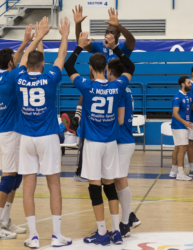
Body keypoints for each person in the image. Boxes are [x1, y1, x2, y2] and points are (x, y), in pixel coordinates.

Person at [64, 32, 135, 246]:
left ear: (90, 68)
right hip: (112, 144)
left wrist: (77, 47)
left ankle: (102, 233)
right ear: (106, 68)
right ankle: (116, 232)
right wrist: (115, 48)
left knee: (95, 187)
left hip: (93, 144)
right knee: (110, 186)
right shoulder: (117, 86)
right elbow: (130, 67)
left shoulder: (86, 85)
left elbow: (68, 66)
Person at [16, 17, 71, 248]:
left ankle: (34, 236)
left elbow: (23, 57)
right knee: (54, 185)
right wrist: (64, 35)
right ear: (42, 65)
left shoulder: (18, 77)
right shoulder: (50, 78)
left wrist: (36, 37)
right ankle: (57, 236)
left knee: (28, 187)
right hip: (48, 137)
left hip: (26, 138)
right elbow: (60, 57)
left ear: (28, 64)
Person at [0, 25, 34, 240]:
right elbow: (22, 61)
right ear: (10, 64)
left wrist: (23, 43)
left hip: (7, 130)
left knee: (16, 178)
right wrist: (29, 40)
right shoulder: (11, 77)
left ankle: (5, 221)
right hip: (10, 133)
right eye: (13, 60)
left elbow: (16, 60)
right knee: (7, 180)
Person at [105, 58, 141, 237]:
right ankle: (131, 216)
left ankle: (125, 223)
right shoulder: (125, 88)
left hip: (123, 140)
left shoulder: (118, 90)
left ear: (110, 72)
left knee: (119, 181)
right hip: (123, 140)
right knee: (116, 181)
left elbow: (118, 119)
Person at [170, 76, 193, 181]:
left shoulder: (188, 97)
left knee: (177, 147)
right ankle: (180, 173)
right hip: (179, 126)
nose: (191, 84)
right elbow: (175, 113)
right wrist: (184, 122)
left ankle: (173, 171)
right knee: (183, 148)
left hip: (183, 125)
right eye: (189, 83)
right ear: (183, 84)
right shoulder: (177, 97)